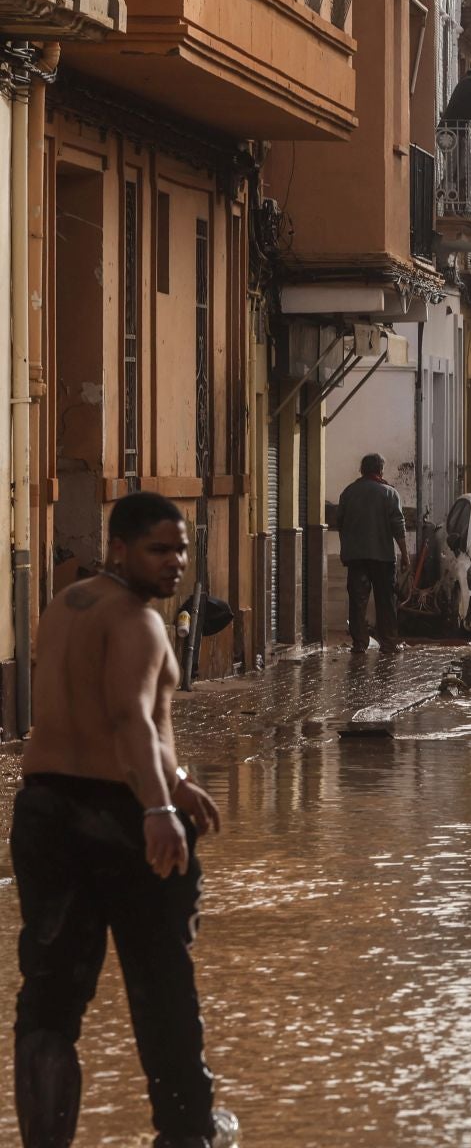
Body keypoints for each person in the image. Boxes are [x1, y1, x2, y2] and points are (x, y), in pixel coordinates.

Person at [13, 492, 236, 1148]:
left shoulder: (65, 606)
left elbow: (94, 715)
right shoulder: (141, 623)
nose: (175, 563)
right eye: (158, 550)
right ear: (118, 548)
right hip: (119, 818)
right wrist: (160, 809)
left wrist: (176, 777)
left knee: (50, 998)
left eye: (181, 549)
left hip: (44, 810)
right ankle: (187, 1133)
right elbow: (129, 718)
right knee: (161, 981)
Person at [337, 453, 409, 655]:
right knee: (385, 601)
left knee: (357, 601)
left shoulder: (349, 492)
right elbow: (398, 527)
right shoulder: (389, 494)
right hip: (383, 558)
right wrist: (405, 554)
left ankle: (359, 643)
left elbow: (340, 523)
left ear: (362, 470)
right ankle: (388, 643)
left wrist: (348, 548)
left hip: (356, 558)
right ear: (381, 470)